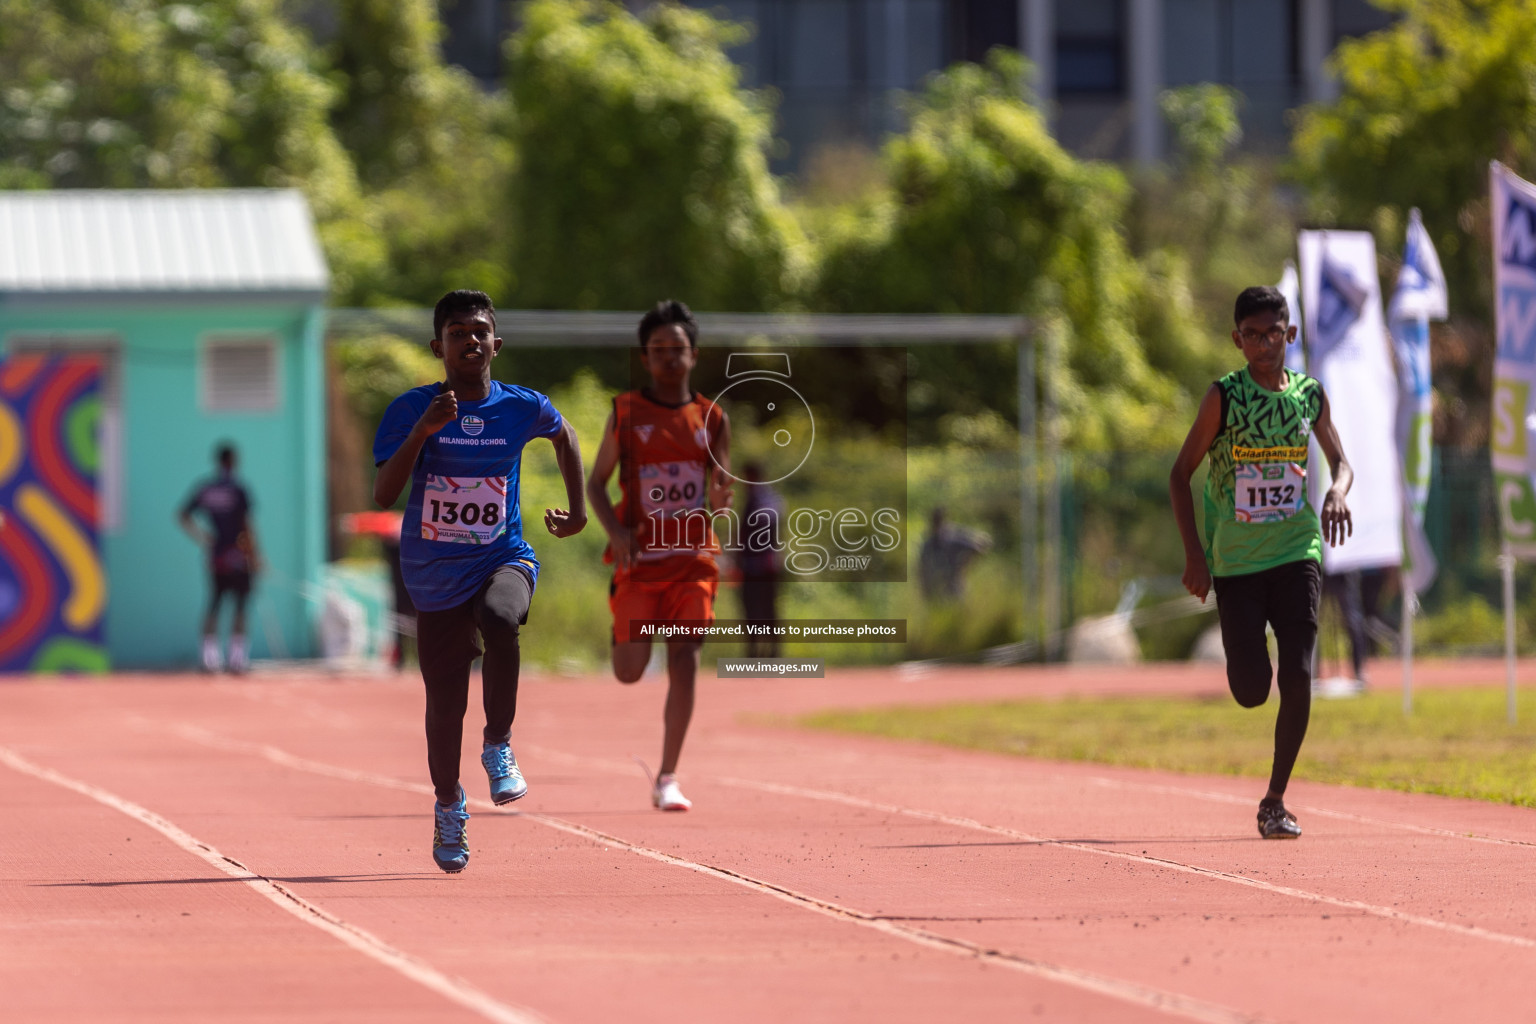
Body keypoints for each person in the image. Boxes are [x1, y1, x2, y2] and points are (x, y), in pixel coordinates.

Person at [372, 290, 586, 873]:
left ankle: (498, 744)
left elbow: (565, 435)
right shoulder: (410, 408)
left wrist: (578, 509)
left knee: (501, 617)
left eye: (480, 330)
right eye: (458, 331)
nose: (471, 339)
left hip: (501, 555)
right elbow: (384, 495)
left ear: (497, 343)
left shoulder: (521, 406)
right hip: (433, 573)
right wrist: (423, 430)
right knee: (445, 706)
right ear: (437, 346)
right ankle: (448, 804)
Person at [1169, 285, 1353, 840]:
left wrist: (1338, 492)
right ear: (1237, 339)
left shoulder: (1308, 395)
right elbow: (1180, 475)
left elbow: (1340, 462)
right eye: (1252, 335)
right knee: (1252, 688)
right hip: (1237, 564)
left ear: (1290, 334)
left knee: (1298, 677)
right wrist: (1196, 556)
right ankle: (1248, 661)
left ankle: (1274, 800)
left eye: (1274, 333)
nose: (1264, 344)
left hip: (1297, 552)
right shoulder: (1223, 398)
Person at [586, 300, 731, 812]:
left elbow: (719, 490)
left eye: (679, 349)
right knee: (629, 670)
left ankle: (668, 775)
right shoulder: (625, 413)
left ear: (695, 355)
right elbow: (596, 484)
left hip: (693, 558)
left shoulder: (713, 418)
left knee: (686, 661)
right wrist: (616, 533)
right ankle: (618, 618)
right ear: (645, 358)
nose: (670, 358)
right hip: (640, 560)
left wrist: (721, 497)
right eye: (659, 350)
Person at [179, 442, 260, 674]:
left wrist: (203, 537)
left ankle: (209, 657)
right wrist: (255, 555)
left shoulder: (207, 488)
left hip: (216, 555)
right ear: (233, 461)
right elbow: (247, 524)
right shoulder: (237, 488)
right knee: (240, 606)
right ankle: (237, 659)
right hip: (237, 553)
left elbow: (183, 515)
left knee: (214, 603)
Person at [738, 460, 783, 658]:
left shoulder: (765, 497)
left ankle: (772, 653)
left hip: (764, 565)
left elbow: (768, 521)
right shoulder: (752, 498)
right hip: (751, 565)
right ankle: (755, 652)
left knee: (767, 609)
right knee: (751, 610)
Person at [917, 506, 991, 601]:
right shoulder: (928, 543)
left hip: (953, 590)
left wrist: (964, 565)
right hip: (934, 593)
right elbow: (921, 569)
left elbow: (982, 544)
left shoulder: (953, 537)